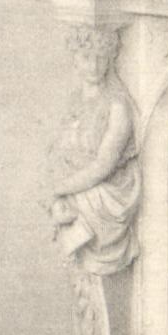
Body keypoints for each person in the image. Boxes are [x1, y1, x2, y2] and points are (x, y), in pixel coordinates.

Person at [49, 25, 139, 275]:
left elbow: (104, 165)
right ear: (75, 59)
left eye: (101, 57)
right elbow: (59, 152)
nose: (94, 65)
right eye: (86, 57)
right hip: (78, 185)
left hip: (108, 195)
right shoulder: (74, 100)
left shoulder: (118, 106)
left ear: (111, 58)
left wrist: (58, 189)